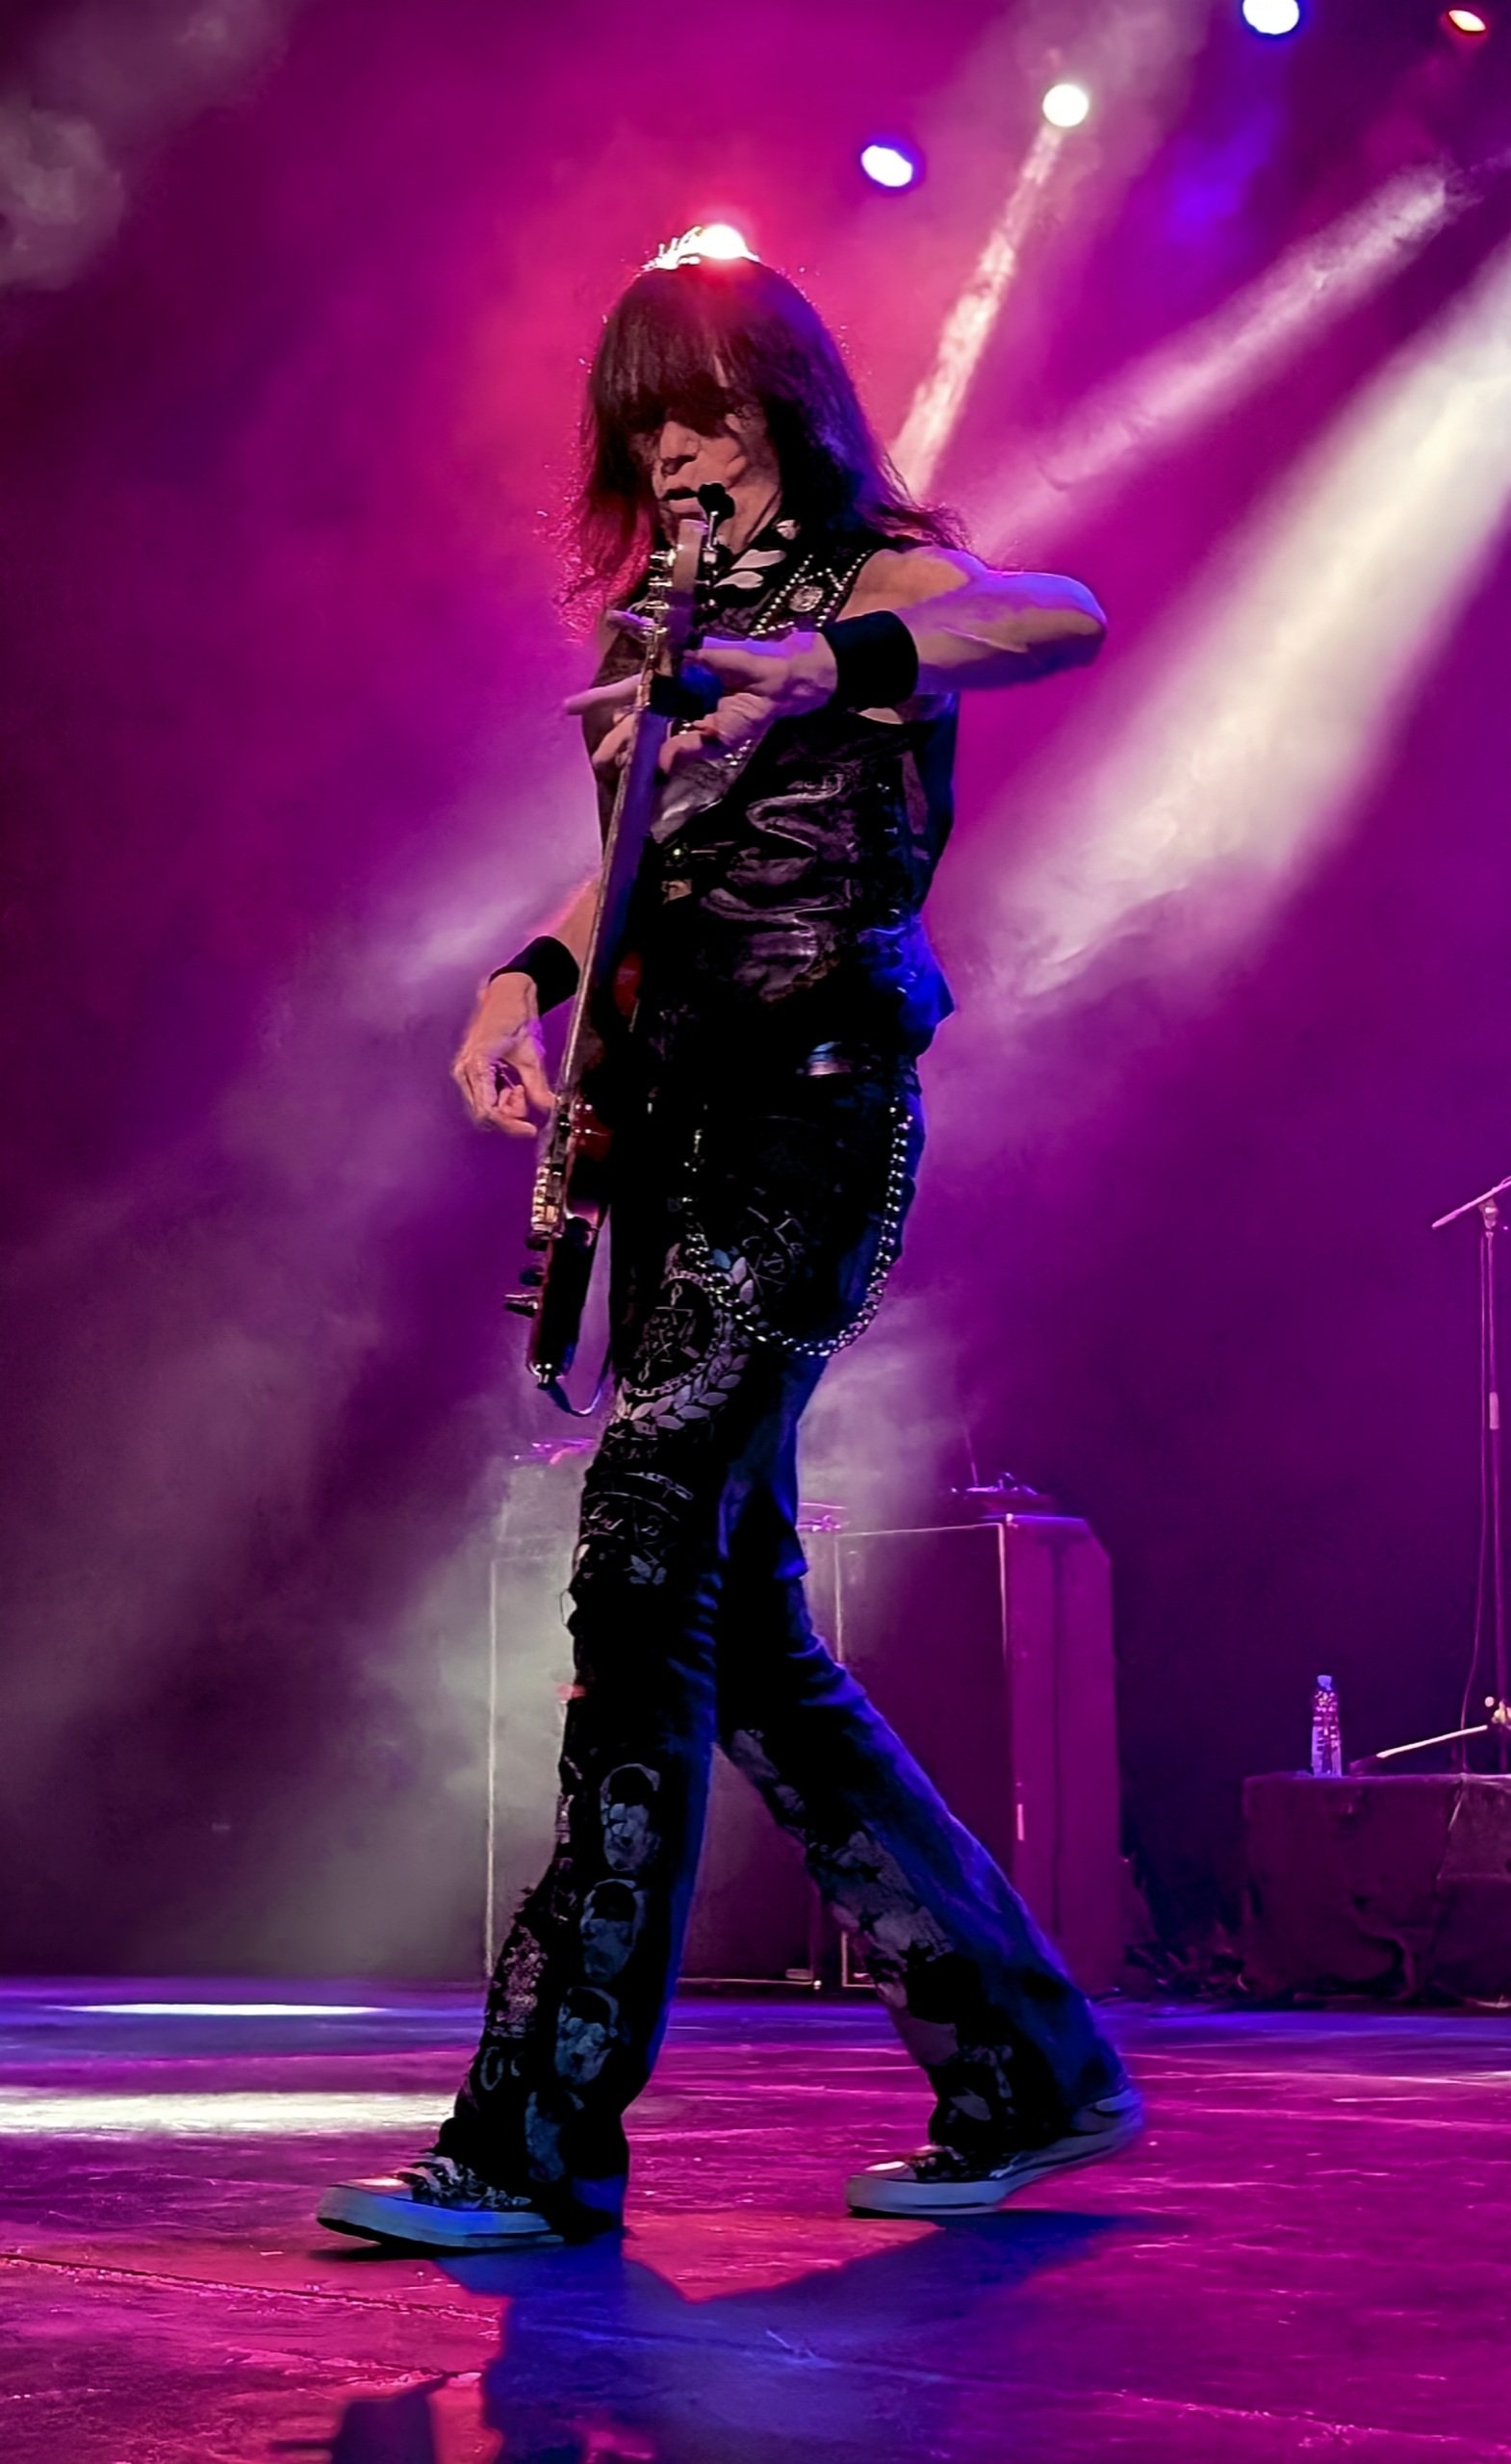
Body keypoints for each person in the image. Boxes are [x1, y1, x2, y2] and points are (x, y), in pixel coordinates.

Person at [319, 234, 1141, 2252]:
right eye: (645, 426)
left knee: (633, 1561)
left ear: (781, 401)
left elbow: (1062, 618)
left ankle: (536, 2134)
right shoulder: (652, 626)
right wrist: (521, 978)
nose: (676, 452)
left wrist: (821, 666)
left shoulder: (882, 582)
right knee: (743, 1632)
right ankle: (1029, 2067)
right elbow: (629, 866)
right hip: (669, 1140)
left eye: (704, 412)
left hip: (810, 1122)